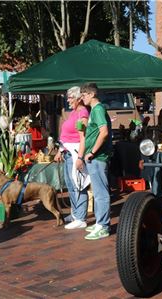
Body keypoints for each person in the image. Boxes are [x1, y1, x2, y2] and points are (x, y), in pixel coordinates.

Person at [79, 82, 112, 240]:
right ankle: (100, 222)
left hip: (98, 157)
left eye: (84, 95)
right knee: (98, 192)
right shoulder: (95, 110)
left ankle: (103, 226)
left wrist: (92, 152)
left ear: (92, 94)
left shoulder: (98, 109)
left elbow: (103, 132)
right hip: (95, 157)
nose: (82, 98)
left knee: (100, 193)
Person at [54, 86, 90, 230]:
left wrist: (80, 157)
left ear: (78, 98)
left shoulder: (83, 113)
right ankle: (75, 214)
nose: (68, 100)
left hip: (75, 153)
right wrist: (60, 150)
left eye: (70, 97)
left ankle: (81, 218)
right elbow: (66, 135)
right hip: (67, 152)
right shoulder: (74, 112)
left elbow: (84, 136)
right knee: (71, 185)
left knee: (78, 184)